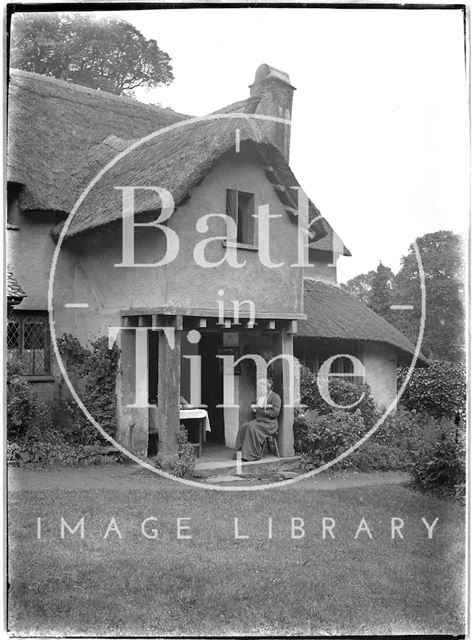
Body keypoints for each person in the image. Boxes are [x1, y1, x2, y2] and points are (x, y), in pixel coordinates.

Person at [234, 377, 282, 461]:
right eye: (259, 388)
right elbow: (259, 410)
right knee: (243, 426)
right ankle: (241, 452)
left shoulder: (275, 397)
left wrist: (261, 410)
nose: (259, 390)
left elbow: (275, 413)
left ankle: (251, 455)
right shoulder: (262, 397)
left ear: (267, 387)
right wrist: (255, 409)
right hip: (260, 421)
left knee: (252, 427)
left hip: (270, 424)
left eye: (261, 388)